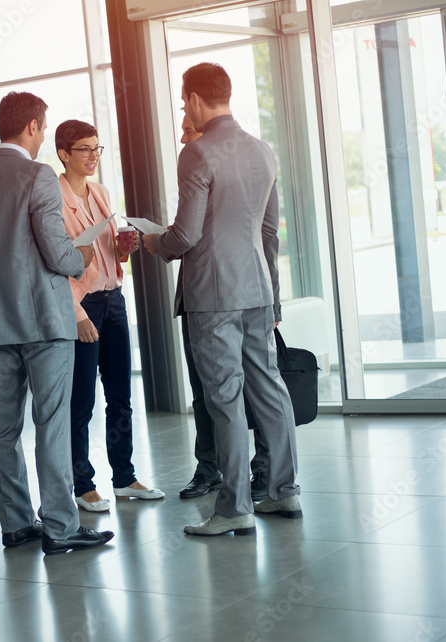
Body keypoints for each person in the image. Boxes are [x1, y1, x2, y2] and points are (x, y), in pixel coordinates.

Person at [0, 92, 114, 555]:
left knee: (3, 428)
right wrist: (81, 253)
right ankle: (60, 528)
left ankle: (17, 525)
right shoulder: (38, 176)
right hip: (44, 320)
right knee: (52, 423)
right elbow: (58, 253)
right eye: (44, 129)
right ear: (34, 128)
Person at [144, 63, 301, 536]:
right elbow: (270, 232)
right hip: (256, 287)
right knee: (269, 386)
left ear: (193, 99)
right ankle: (283, 491)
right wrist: (271, 295)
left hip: (213, 295)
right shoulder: (263, 150)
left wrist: (154, 242)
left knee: (225, 398)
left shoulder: (197, 153)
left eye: (182, 101)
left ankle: (234, 508)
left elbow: (186, 235)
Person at [55, 119, 164, 512]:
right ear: (63, 153)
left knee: (121, 396)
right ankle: (82, 484)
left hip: (113, 299)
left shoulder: (100, 193)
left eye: (96, 148)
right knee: (81, 401)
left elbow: (108, 254)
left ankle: (124, 478)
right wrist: (75, 313)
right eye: (83, 149)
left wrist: (124, 249)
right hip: (83, 307)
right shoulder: (52, 197)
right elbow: (51, 264)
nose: (92, 156)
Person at [174, 115, 271, 503]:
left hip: (236, 294)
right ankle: (212, 468)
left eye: (187, 128)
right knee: (207, 391)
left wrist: (159, 243)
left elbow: (267, 234)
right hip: (204, 295)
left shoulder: (215, 158)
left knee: (250, 390)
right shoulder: (242, 159)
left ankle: (256, 476)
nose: (183, 137)